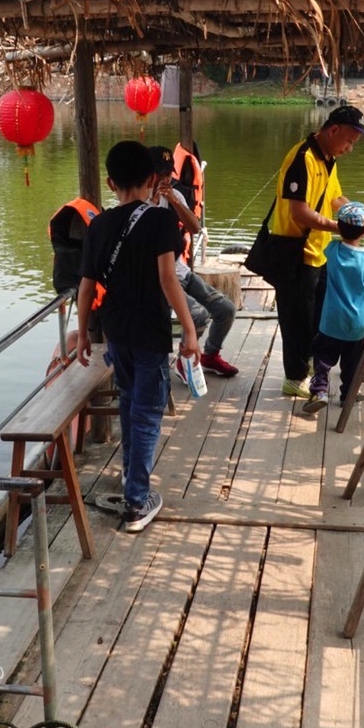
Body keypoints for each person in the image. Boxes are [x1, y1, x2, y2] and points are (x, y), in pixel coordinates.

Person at [77, 140, 199, 533]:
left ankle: (133, 479)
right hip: (149, 330)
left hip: (115, 330)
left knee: (130, 403)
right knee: (147, 413)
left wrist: (81, 333)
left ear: (110, 182)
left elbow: (86, 284)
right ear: (151, 179)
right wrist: (191, 330)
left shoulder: (99, 224)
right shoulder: (160, 221)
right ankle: (135, 503)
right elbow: (168, 279)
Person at [266, 104, 364, 399]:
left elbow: (336, 198)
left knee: (316, 317)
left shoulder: (327, 158)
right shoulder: (303, 158)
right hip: (294, 253)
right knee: (296, 318)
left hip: (317, 254)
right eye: (349, 141)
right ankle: (294, 378)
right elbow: (299, 212)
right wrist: (343, 227)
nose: (349, 148)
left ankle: (309, 366)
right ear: (333, 130)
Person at [148, 146, 239, 378]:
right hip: (159, 279)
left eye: (169, 173)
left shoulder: (175, 195)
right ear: (149, 174)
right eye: (161, 174)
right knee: (198, 315)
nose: (165, 179)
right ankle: (184, 360)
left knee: (225, 309)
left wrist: (174, 202)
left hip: (181, 272)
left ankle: (209, 355)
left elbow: (195, 228)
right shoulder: (140, 201)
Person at [304, 202, 364, 414]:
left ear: (339, 227)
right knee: (352, 363)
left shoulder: (332, 250)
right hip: (356, 324)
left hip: (330, 321)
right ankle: (348, 394)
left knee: (323, 356)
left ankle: (319, 389)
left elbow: (340, 238)